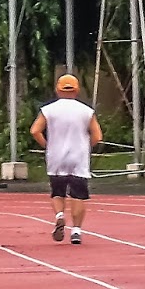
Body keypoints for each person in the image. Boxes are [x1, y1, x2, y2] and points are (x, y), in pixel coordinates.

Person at [30, 74, 102, 244]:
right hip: (79, 157)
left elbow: (35, 130)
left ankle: (60, 215)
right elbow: (97, 136)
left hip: (56, 156)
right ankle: (76, 231)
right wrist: (86, 147)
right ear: (77, 90)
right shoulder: (86, 111)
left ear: (57, 89)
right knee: (78, 195)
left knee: (57, 192)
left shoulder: (49, 109)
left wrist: (47, 145)